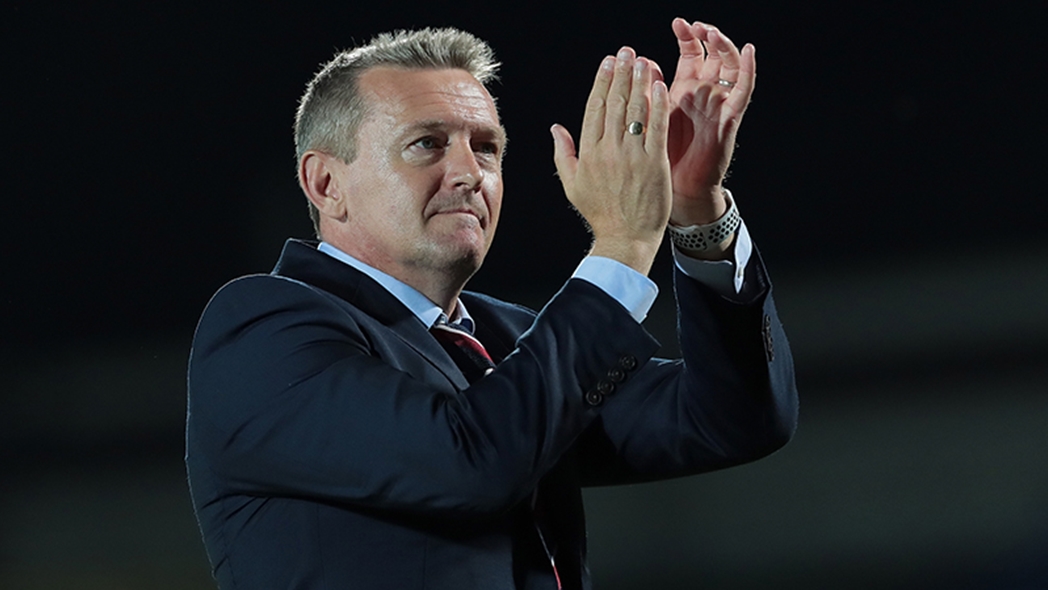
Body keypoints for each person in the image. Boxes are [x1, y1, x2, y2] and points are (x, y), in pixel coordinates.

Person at [186, 18, 797, 590]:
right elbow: (465, 463)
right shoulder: (262, 329)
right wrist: (623, 245)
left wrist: (697, 212)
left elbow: (730, 421)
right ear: (326, 184)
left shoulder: (504, 340)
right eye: (427, 143)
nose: (469, 172)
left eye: (486, 147)